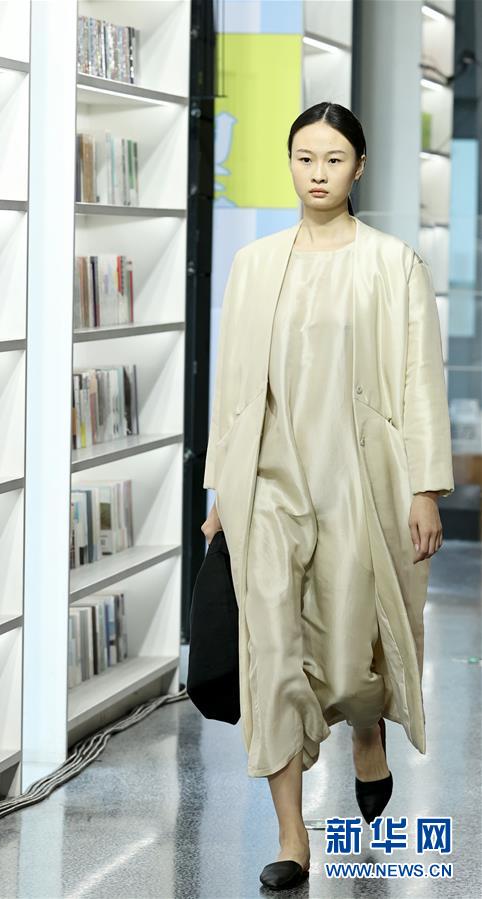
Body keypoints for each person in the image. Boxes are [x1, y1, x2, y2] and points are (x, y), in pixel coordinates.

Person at [200, 102, 453, 891]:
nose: (318, 173)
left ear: (359, 168)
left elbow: (420, 378)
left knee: (348, 662)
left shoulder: (392, 264)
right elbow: (233, 388)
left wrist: (425, 487)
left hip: (356, 480)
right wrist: (220, 490)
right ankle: (291, 834)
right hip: (267, 482)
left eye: (334, 159)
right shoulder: (255, 264)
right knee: (271, 653)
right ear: (290, 163)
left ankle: (366, 730)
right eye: (305, 157)